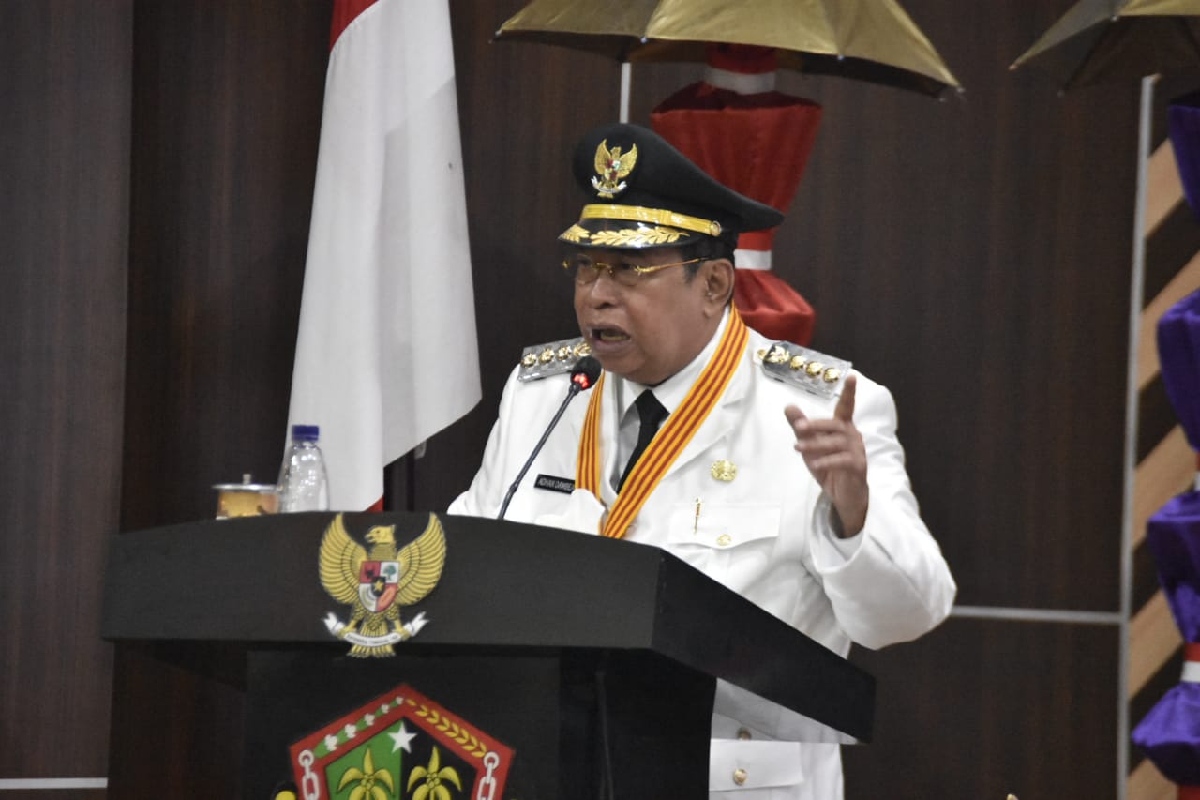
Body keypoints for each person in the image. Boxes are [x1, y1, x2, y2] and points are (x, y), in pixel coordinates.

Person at [448, 122, 956, 800]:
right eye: (587, 266)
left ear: (714, 284)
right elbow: (466, 563)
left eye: (630, 269)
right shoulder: (544, 395)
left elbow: (912, 612)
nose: (596, 294)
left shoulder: (819, 410)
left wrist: (853, 516)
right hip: (553, 772)